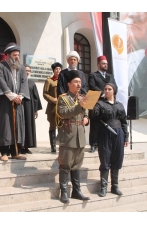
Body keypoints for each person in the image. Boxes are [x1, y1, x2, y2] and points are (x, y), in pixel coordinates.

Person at [56, 70, 90, 204]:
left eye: (80, 82)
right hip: (68, 135)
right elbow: (64, 113)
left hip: (80, 135)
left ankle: (77, 191)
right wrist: (79, 107)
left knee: (77, 165)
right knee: (65, 165)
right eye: (76, 82)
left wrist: (86, 118)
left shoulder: (82, 97)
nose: (79, 84)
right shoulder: (63, 98)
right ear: (69, 83)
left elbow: (85, 112)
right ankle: (64, 192)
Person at [0, 42, 30, 161]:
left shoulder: (21, 68)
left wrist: (21, 96)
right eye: (14, 55)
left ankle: (15, 152)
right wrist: (12, 95)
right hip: (5, 101)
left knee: (18, 125)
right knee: (5, 126)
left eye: (18, 55)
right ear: (8, 55)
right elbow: (0, 82)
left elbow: (24, 83)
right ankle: (4, 153)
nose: (17, 57)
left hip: (18, 101)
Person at [92, 83, 128, 197]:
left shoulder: (120, 105)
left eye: (109, 89)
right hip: (105, 133)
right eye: (105, 89)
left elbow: (124, 122)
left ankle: (115, 186)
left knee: (117, 159)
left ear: (114, 91)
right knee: (105, 159)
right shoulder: (100, 104)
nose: (107, 91)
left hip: (119, 134)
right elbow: (94, 116)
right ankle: (103, 187)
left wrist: (126, 137)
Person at [88, 55, 117, 153]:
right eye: (103, 63)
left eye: (106, 64)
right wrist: (103, 93)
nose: (105, 65)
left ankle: (106, 143)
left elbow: (115, 86)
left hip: (108, 103)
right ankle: (93, 144)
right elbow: (91, 86)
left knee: (107, 122)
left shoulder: (110, 76)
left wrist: (110, 95)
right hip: (96, 102)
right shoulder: (93, 75)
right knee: (95, 124)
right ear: (98, 65)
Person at [21, 64, 42, 154]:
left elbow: (35, 96)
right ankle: (20, 146)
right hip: (21, 106)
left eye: (29, 70)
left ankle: (27, 146)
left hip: (29, 107)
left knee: (29, 126)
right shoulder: (19, 82)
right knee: (21, 126)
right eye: (26, 70)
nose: (27, 72)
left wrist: (35, 109)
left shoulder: (32, 83)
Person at [43, 62, 62, 153]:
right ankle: (53, 146)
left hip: (62, 107)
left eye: (59, 69)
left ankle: (61, 145)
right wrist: (52, 99)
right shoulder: (49, 81)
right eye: (56, 69)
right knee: (53, 127)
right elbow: (45, 93)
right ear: (53, 71)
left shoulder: (63, 81)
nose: (58, 71)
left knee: (62, 127)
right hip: (52, 108)